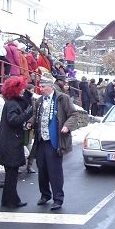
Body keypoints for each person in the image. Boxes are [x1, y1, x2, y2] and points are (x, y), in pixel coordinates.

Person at [27, 72, 78, 211]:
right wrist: (30, 122)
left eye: (43, 86)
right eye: (40, 86)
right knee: (42, 169)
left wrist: (67, 126)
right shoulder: (39, 101)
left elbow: (73, 115)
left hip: (54, 141)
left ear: (51, 86)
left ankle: (58, 198)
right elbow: (36, 116)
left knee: (54, 171)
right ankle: (45, 195)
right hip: (41, 140)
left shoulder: (62, 98)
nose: (41, 89)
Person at [0, 76, 33, 208]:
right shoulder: (12, 104)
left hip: (9, 142)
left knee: (11, 174)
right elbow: (13, 120)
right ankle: (13, 200)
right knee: (12, 175)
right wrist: (27, 114)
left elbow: (23, 104)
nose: (23, 90)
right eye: (21, 88)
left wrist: (28, 97)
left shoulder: (11, 102)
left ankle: (7, 200)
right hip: (11, 144)